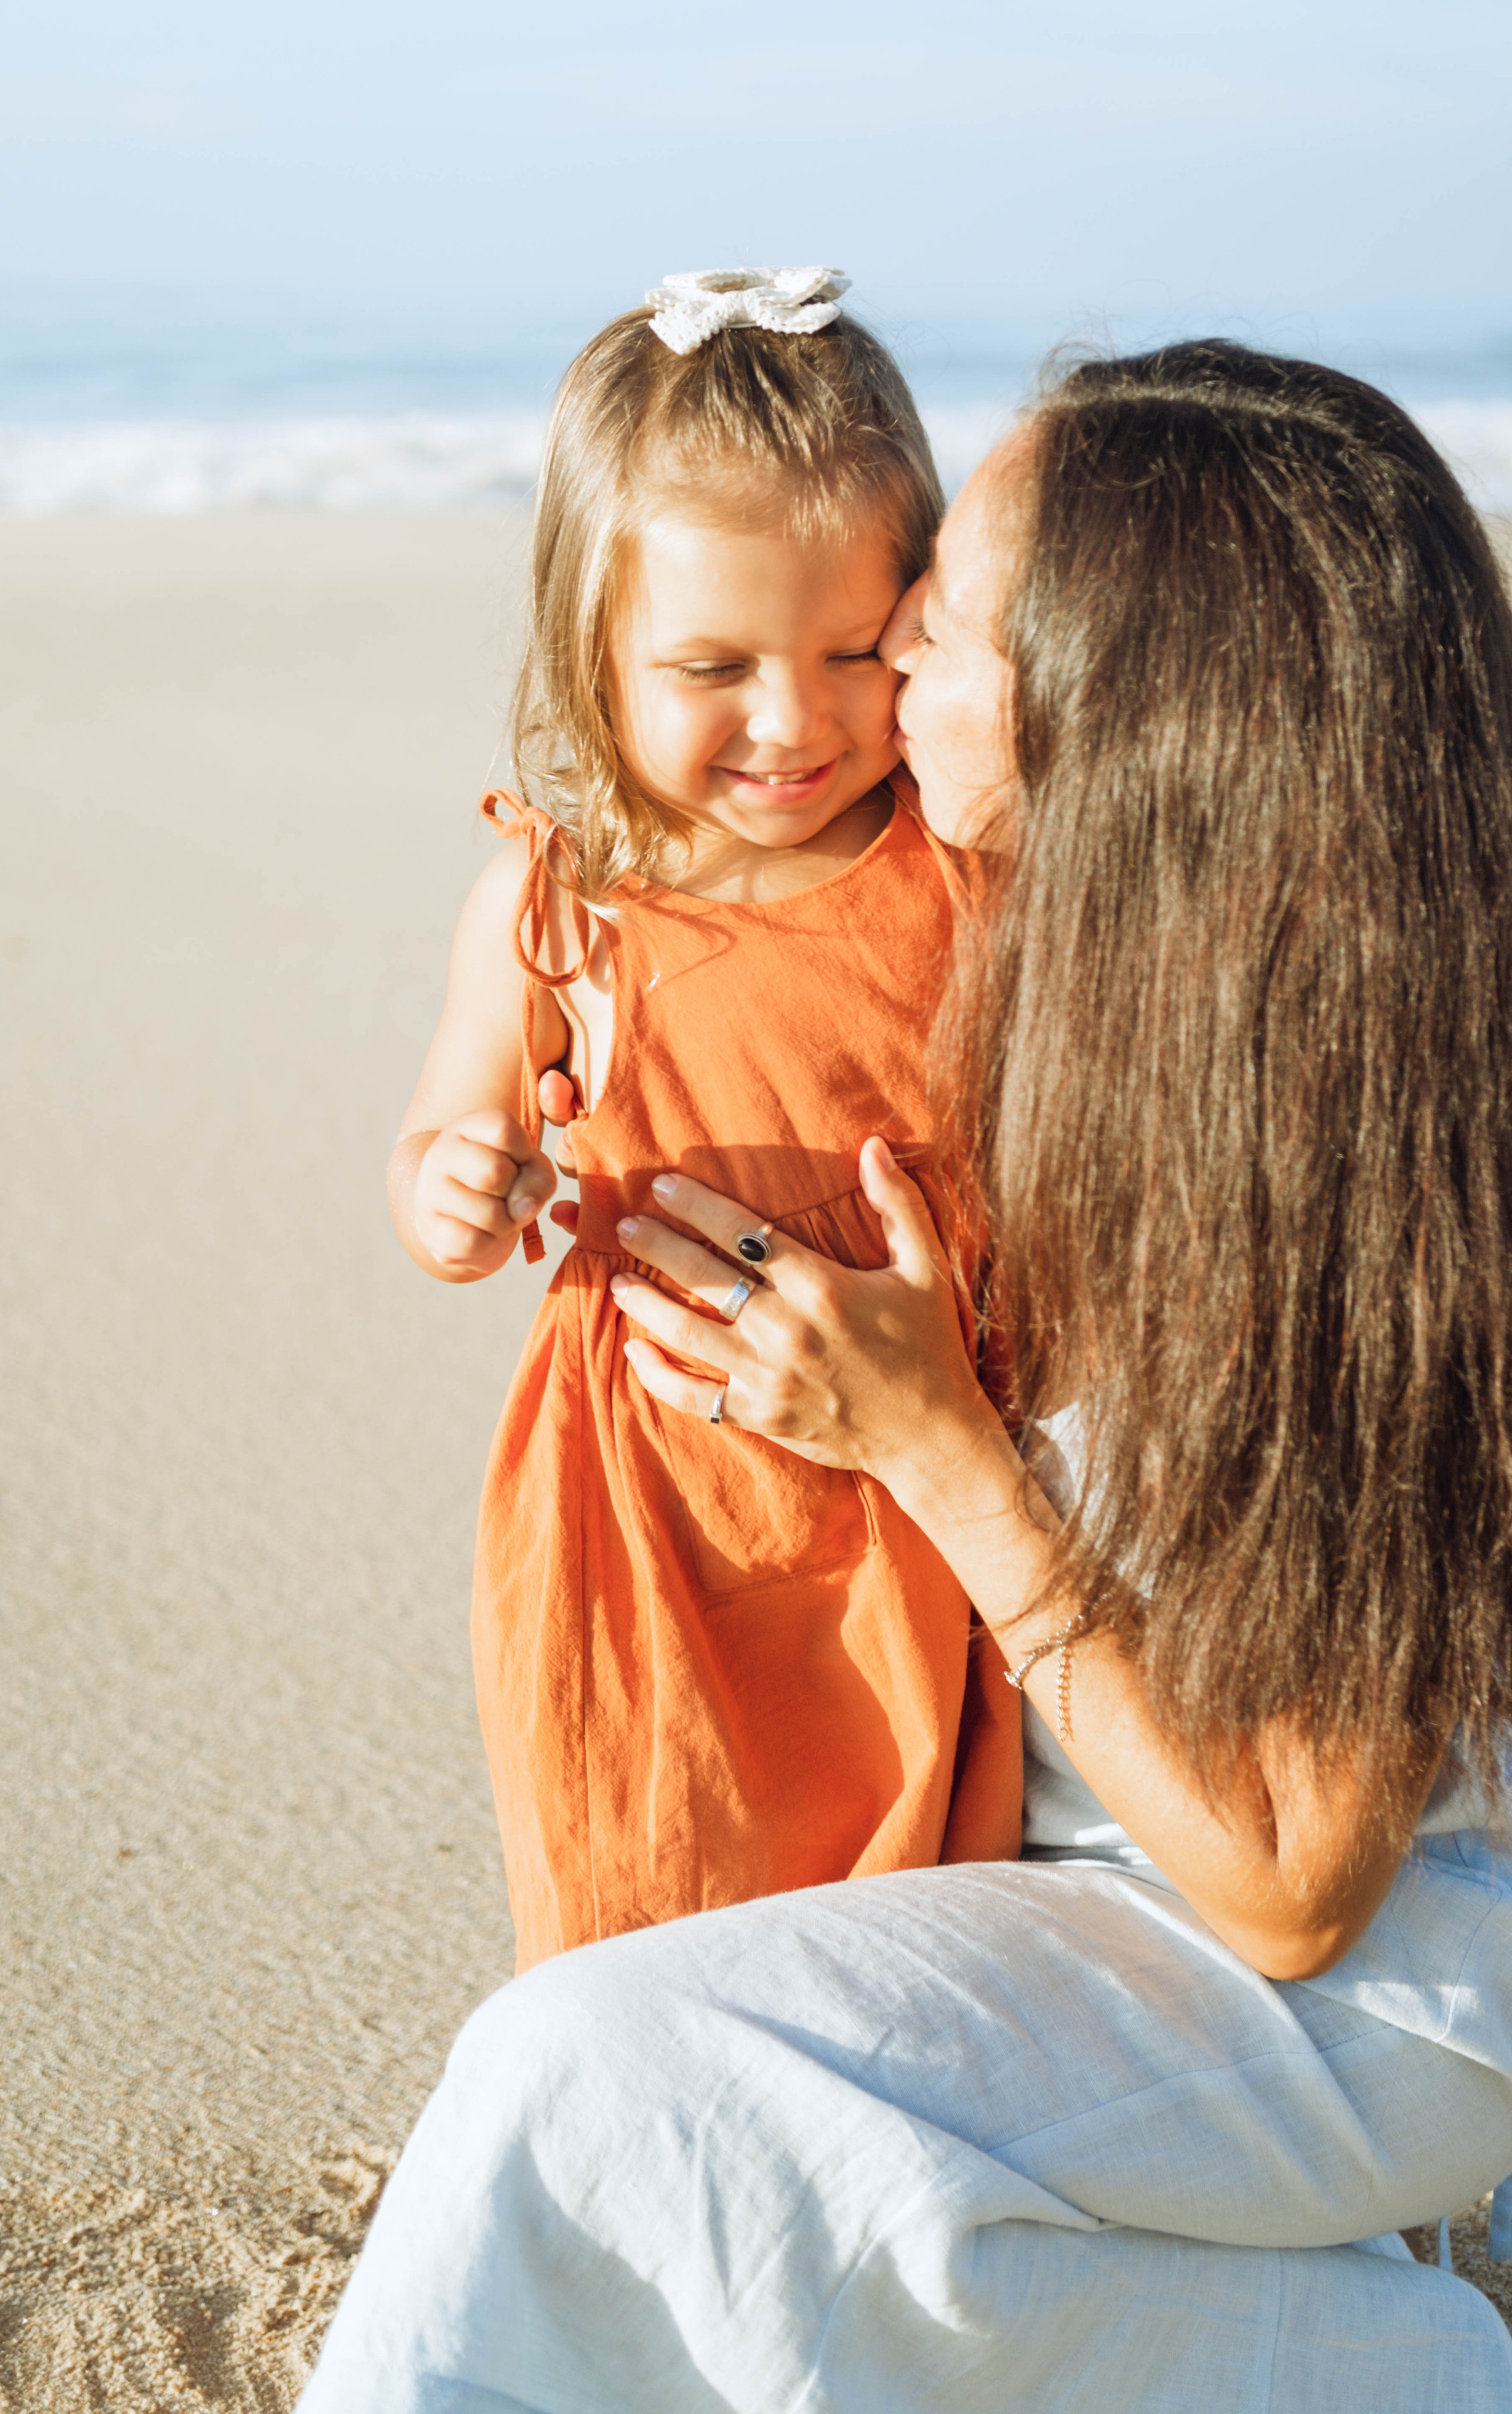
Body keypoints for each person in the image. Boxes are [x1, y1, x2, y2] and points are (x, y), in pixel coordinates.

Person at [304, 341, 1512, 2410]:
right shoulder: (1074, 978)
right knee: (722, 2152)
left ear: (1127, 711)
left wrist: (940, 1452)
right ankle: (1365, 2362)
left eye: (947, 614)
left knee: (583, 2077)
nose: (888, 649)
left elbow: (1292, 1888)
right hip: (1069, 1880)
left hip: (1340, 1991)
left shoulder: (1344, 1149)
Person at [385, 267, 1019, 1973]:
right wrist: (454, 1186)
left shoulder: (956, 874)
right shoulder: (553, 903)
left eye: (852, 652)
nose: (795, 721)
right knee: (652, 1889)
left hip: (920, 1467)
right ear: (594, 646)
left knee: (917, 1913)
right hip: (652, 1503)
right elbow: (445, 1133)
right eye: (713, 666)